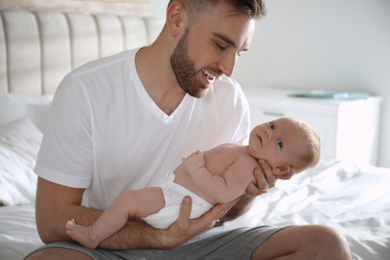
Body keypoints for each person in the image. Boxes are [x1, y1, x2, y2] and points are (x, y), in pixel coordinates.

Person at [27, 0, 352, 259]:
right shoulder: (86, 90)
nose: (228, 69)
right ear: (177, 18)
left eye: (239, 53)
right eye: (221, 45)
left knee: (325, 244)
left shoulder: (231, 99)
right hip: (114, 243)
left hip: (202, 243)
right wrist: (160, 238)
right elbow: (53, 220)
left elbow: (226, 207)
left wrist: (246, 195)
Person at [65, 117, 321, 249]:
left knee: (127, 201)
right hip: (176, 194)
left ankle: (92, 235)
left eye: (279, 142)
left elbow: (222, 191)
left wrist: (197, 169)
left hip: (182, 204)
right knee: (130, 205)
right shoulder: (243, 152)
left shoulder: (248, 166)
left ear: (281, 169)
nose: (269, 132)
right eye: (273, 125)